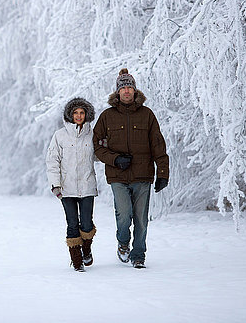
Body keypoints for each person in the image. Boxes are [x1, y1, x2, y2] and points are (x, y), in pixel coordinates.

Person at [93, 68, 169, 269]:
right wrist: (115, 159)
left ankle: (138, 255)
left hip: (143, 175)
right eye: (123, 88)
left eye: (129, 87)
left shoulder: (147, 115)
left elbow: (158, 145)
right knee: (124, 214)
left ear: (135, 91)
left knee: (141, 219)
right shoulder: (107, 116)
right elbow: (97, 146)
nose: (126, 91)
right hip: (117, 175)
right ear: (117, 92)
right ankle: (123, 242)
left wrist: (163, 173)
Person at [46, 97, 98, 272]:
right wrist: (55, 185)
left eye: (82, 112)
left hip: (87, 185)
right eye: (75, 113)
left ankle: (86, 250)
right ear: (70, 114)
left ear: (87, 114)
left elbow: (101, 154)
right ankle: (77, 261)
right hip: (66, 188)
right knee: (72, 223)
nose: (78, 116)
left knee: (87, 223)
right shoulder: (59, 135)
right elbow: (53, 161)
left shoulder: (93, 134)